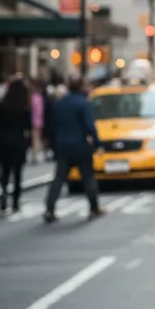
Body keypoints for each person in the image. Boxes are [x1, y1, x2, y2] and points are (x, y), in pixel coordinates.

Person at [42, 76, 105, 223]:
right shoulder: (83, 103)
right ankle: (94, 208)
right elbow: (90, 126)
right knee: (88, 177)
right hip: (80, 145)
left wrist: (52, 144)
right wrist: (97, 143)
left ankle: (49, 209)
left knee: (59, 178)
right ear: (81, 86)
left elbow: (51, 127)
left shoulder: (59, 104)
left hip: (62, 146)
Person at [0, 77, 32, 213]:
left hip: (3, 142)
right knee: (18, 173)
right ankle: (15, 202)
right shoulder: (24, 108)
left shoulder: (2, 106)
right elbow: (28, 126)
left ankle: (3, 195)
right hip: (19, 142)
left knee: (5, 171)